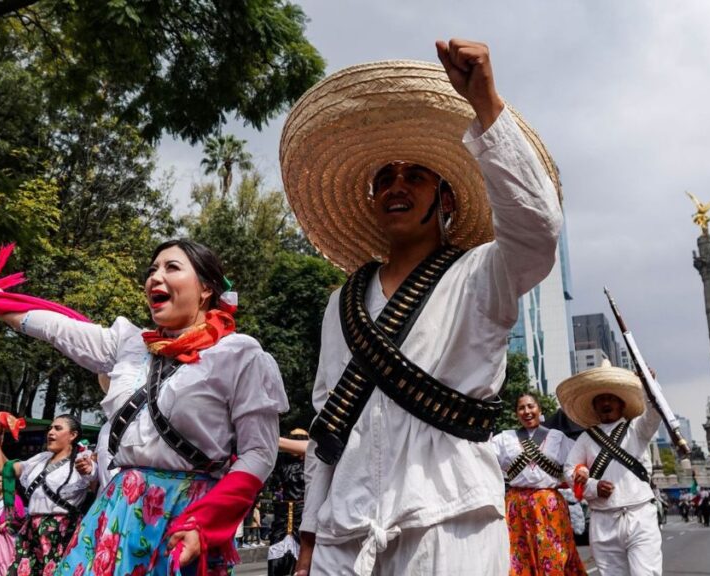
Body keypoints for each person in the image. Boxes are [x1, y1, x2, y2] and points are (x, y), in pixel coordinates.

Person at [281, 38, 563, 576]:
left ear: (447, 199)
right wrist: (310, 538)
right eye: (384, 178)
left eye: (415, 175)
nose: (397, 185)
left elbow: (538, 231)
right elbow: (327, 425)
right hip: (346, 527)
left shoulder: (482, 274)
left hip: (448, 519)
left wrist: (486, 107)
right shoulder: (341, 303)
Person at [0, 238, 288, 575]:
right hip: (113, 515)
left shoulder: (240, 355)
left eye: (172, 268)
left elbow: (259, 454)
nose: (155, 277)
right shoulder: (129, 344)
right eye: (152, 270)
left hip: (185, 519)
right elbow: (59, 329)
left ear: (206, 288)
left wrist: (204, 523)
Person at [558, 361, 663, 576]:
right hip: (603, 520)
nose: (606, 403)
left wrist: (649, 385)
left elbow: (655, 414)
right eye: (601, 400)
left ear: (622, 405)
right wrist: (594, 487)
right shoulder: (586, 438)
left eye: (611, 398)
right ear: (594, 408)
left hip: (639, 514)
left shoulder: (637, 429)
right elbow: (570, 471)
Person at [0, 414, 89, 576]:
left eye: (58, 428)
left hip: (62, 531)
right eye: (50, 428)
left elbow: (97, 479)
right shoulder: (40, 459)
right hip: (31, 530)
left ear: (73, 435)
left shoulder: (81, 461)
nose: (51, 432)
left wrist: (90, 467)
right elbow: (4, 469)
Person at [492, 393, 586, 575]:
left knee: (553, 553)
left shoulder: (557, 437)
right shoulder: (505, 439)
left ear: (539, 410)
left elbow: (577, 460)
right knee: (519, 556)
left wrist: (581, 471)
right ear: (516, 413)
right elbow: (483, 456)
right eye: (521, 408)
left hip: (548, 505)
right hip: (516, 505)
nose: (527, 411)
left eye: (531, 406)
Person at [267, 430, 309, 576]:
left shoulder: (311, 463)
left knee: (303, 559)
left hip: (303, 516)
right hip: (282, 517)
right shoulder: (281, 463)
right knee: (277, 561)